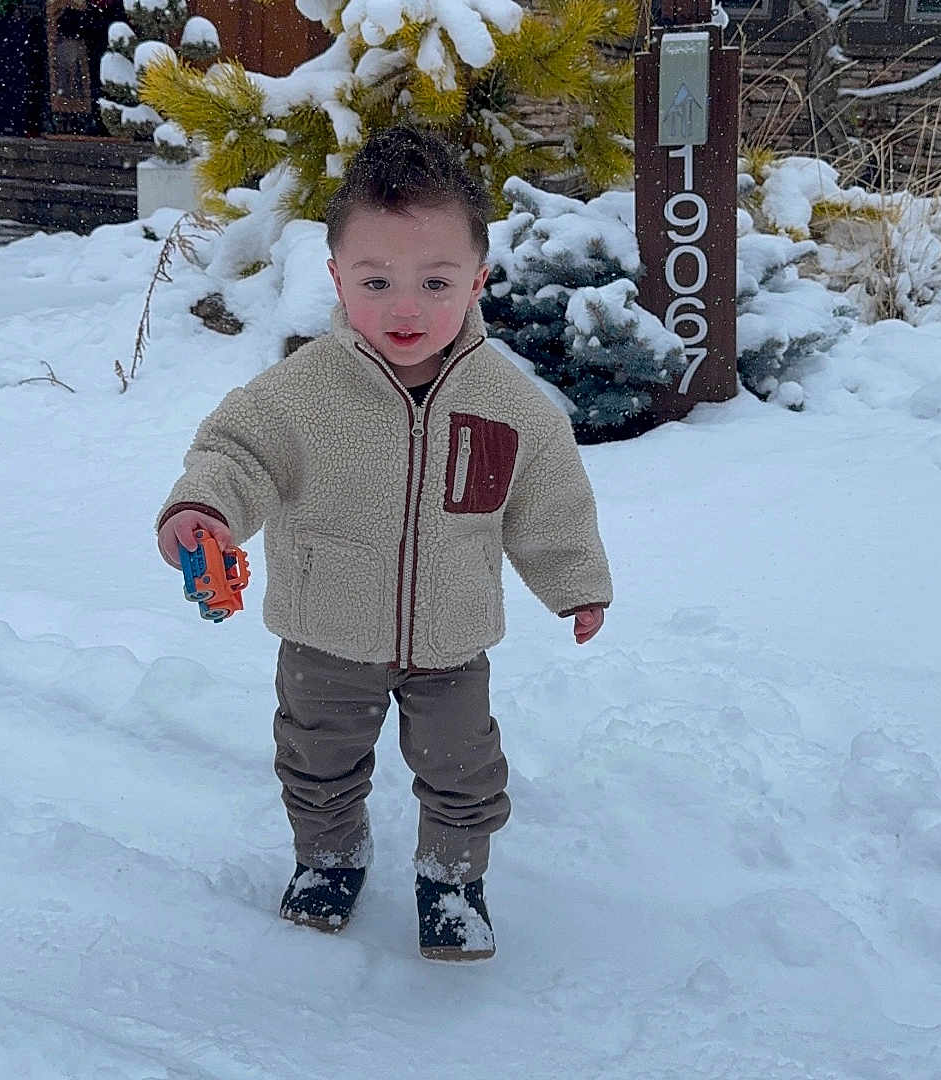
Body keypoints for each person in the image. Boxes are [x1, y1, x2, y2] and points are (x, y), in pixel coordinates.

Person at [156, 125, 612, 962]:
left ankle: (453, 883)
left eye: (436, 282)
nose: (406, 308)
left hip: (450, 638)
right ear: (336, 277)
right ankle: (330, 860)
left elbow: (550, 500)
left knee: (464, 774)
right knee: (316, 763)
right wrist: (204, 510)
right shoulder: (302, 393)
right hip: (326, 630)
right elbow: (235, 454)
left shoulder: (511, 405)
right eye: (376, 281)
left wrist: (576, 581)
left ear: (477, 280)